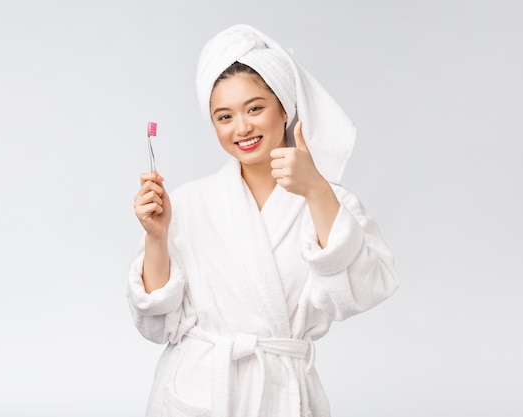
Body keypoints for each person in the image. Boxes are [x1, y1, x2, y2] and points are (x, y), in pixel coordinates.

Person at [128, 24, 399, 417]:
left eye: (255, 108)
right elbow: (157, 327)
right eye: (224, 116)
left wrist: (317, 191)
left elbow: (362, 291)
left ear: (284, 109)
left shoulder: (329, 200)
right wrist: (156, 237)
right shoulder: (187, 203)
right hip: (199, 394)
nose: (242, 128)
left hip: (282, 395)